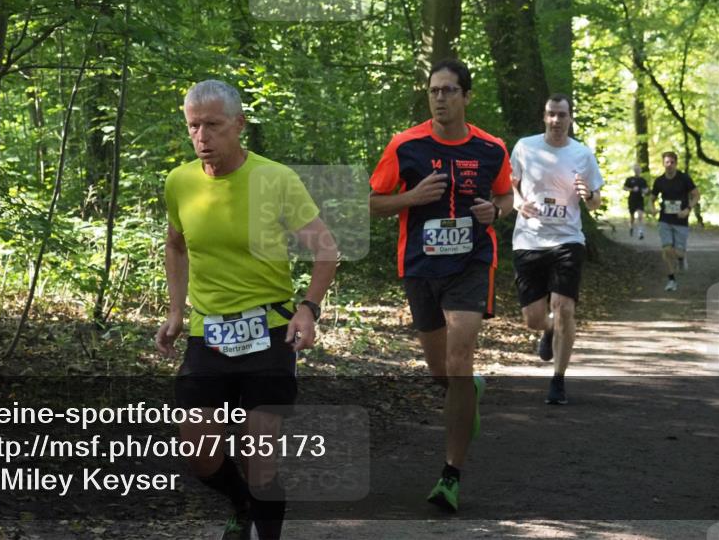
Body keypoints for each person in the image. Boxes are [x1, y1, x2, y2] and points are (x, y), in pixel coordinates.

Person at [155, 80, 338, 540]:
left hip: (269, 329)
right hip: (208, 333)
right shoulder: (179, 182)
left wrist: (308, 309)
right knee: (198, 454)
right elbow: (175, 245)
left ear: (238, 125)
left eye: (213, 125)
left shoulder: (274, 179)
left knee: (260, 456)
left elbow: (326, 249)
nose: (202, 137)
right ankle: (241, 504)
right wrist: (176, 312)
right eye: (193, 126)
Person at [370, 58, 513, 512]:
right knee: (441, 373)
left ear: (467, 97)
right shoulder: (405, 145)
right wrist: (412, 197)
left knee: (459, 359)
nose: (439, 98)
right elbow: (372, 202)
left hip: (471, 263)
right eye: (434, 90)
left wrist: (497, 211)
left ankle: (451, 475)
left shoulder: (491, 149)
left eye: (449, 90)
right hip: (421, 267)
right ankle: (466, 394)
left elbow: (506, 194)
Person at [510, 94, 604, 406]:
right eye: (551, 114)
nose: (556, 120)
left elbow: (595, 202)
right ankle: (547, 329)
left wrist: (588, 194)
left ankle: (558, 380)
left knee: (564, 307)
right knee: (533, 318)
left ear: (570, 118)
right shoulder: (525, 147)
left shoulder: (582, 154)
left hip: (568, 240)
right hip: (529, 241)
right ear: (544, 116)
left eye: (562, 115)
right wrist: (518, 203)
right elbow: (509, 184)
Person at [651, 151, 699, 293]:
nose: (669, 165)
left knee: (678, 252)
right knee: (666, 249)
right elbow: (652, 198)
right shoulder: (659, 181)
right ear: (663, 163)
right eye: (667, 162)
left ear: (676, 163)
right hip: (664, 219)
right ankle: (671, 280)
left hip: (680, 220)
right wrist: (652, 208)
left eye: (672, 162)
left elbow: (696, 195)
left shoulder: (684, 179)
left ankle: (681, 258)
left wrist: (688, 209)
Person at [624, 164, 650, 239]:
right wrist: (632, 189)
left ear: (640, 171)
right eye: (636, 170)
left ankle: (640, 232)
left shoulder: (643, 180)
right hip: (632, 199)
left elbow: (647, 189)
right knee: (632, 216)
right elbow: (625, 188)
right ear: (634, 170)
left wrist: (645, 191)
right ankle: (631, 227)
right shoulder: (630, 179)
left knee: (640, 215)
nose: (637, 171)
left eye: (638, 169)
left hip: (640, 199)